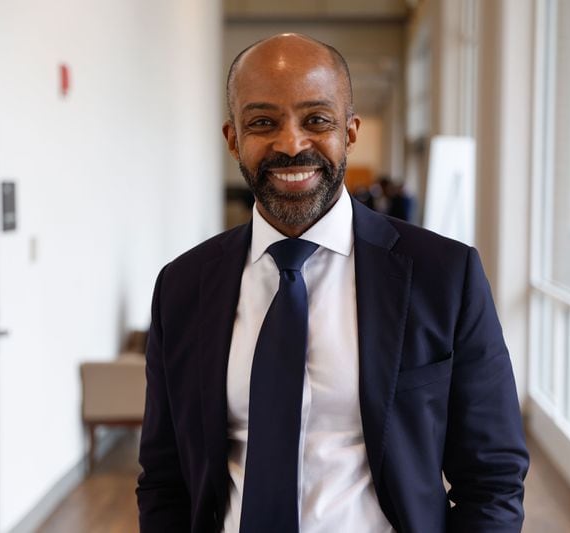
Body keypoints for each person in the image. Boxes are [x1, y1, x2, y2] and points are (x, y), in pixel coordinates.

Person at [136, 33, 528, 533]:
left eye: (317, 120)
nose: (291, 143)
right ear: (233, 138)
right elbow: (164, 479)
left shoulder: (444, 276)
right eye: (263, 122)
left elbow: (492, 477)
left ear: (351, 131)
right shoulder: (183, 287)